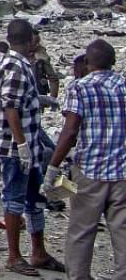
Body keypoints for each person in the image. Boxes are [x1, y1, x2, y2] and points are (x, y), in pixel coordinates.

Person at [0, 19, 64, 276]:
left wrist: (41, 99)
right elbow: (11, 107)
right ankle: (13, 256)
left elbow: (17, 100)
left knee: (35, 199)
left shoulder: (14, 63)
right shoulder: (15, 65)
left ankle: (39, 252)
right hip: (16, 148)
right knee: (14, 200)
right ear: (30, 39)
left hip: (28, 145)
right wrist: (21, 145)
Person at [46, 39, 126, 280]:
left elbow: (70, 132)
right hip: (122, 171)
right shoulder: (124, 86)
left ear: (88, 63)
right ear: (113, 62)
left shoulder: (80, 88)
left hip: (90, 171)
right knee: (122, 231)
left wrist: (53, 166)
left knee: (82, 231)